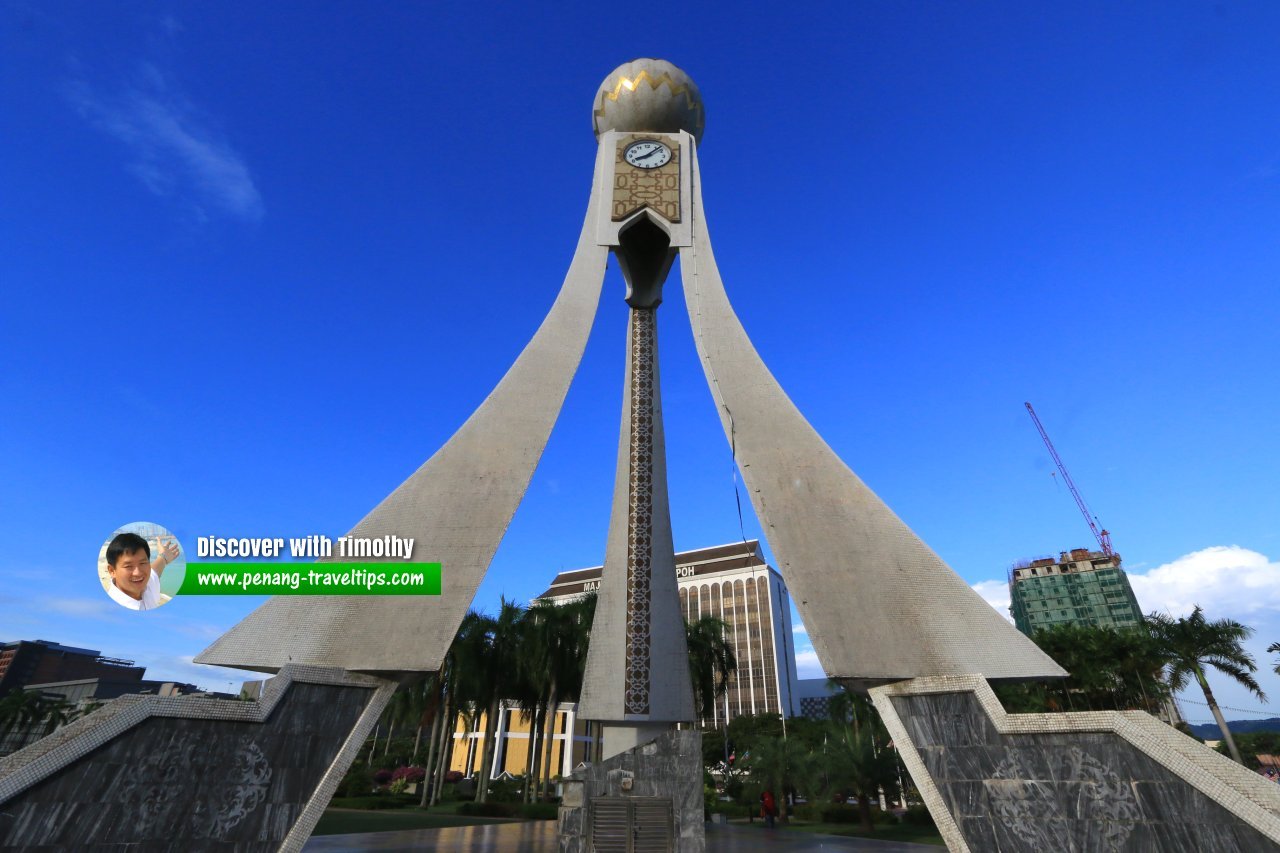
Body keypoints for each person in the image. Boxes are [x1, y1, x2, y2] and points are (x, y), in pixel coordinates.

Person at [104, 532, 179, 611]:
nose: (138, 573)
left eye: (142, 563)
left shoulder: (148, 585)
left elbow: (155, 570)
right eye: (128, 566)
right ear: (112, 571)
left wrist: (164, 557)